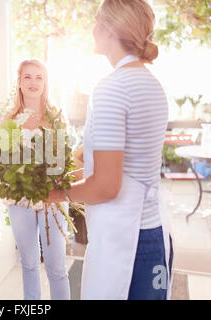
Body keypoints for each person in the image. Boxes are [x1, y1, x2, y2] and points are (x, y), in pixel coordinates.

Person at [46, 0, 173, 300]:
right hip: (153, 234)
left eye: (97, 21)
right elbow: (129, 158)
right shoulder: (151, 84)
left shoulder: (112, 87)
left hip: (125, 245)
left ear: (110, 29)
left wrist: (52, 194)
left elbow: (105, 186)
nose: (92, 29)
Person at [6, 59, 71, 300]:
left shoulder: (56, 118)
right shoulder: (9, 119)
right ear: (19, 83)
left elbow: (64, 161)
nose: (33, 82)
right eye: (27, 77)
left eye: (39, 77)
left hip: (52, 197)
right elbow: (2, 160)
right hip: (18, 198)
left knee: (56, 267)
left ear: (46, 83)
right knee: (29, 263)